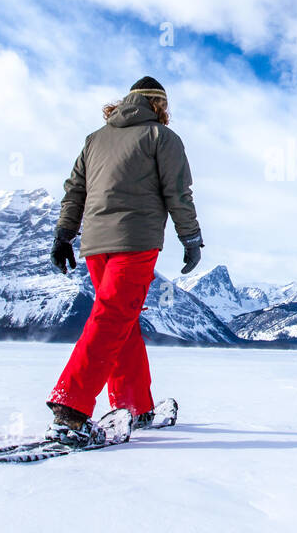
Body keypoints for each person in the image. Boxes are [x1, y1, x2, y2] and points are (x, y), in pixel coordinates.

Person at [44, 76, 203, 446]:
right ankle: (70, 408)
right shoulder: (161, 138)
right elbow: (178, 192)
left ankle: (134, 406)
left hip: (96, 244)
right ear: (158, 105)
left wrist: (64, 235)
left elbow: (75, 191)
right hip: (136, 240)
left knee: (122, 319)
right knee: (113, 316)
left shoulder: (95, 139)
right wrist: (191, 238)